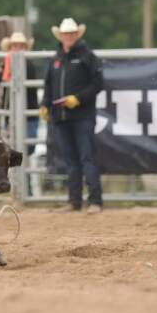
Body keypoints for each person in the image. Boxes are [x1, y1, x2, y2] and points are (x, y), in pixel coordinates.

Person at [40, 18, 104, 213]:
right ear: (61, 36)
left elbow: (97, 84)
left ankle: (95, 201)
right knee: (71, 161)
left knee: (86, 158)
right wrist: (44, 105)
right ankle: (74, 200)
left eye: (71, 34)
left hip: (83, 116)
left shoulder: (88, 57)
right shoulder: (55, 59)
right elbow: (49, 85)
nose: (68, 37)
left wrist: (78, 98)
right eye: (65, 34)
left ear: (76, 35)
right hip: (61, 117)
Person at [0, 31, 38, 153]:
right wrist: (4, 72)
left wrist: (5, 72)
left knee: (28, 147)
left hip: (28, 114)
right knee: (12, 147)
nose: (17, 49)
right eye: (15, 46)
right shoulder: (6, 65)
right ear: (10, 48)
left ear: (25, 48)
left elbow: (23, 76)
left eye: (21, 46)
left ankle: (25, 165)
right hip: (11, 115)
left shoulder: (29, 65)